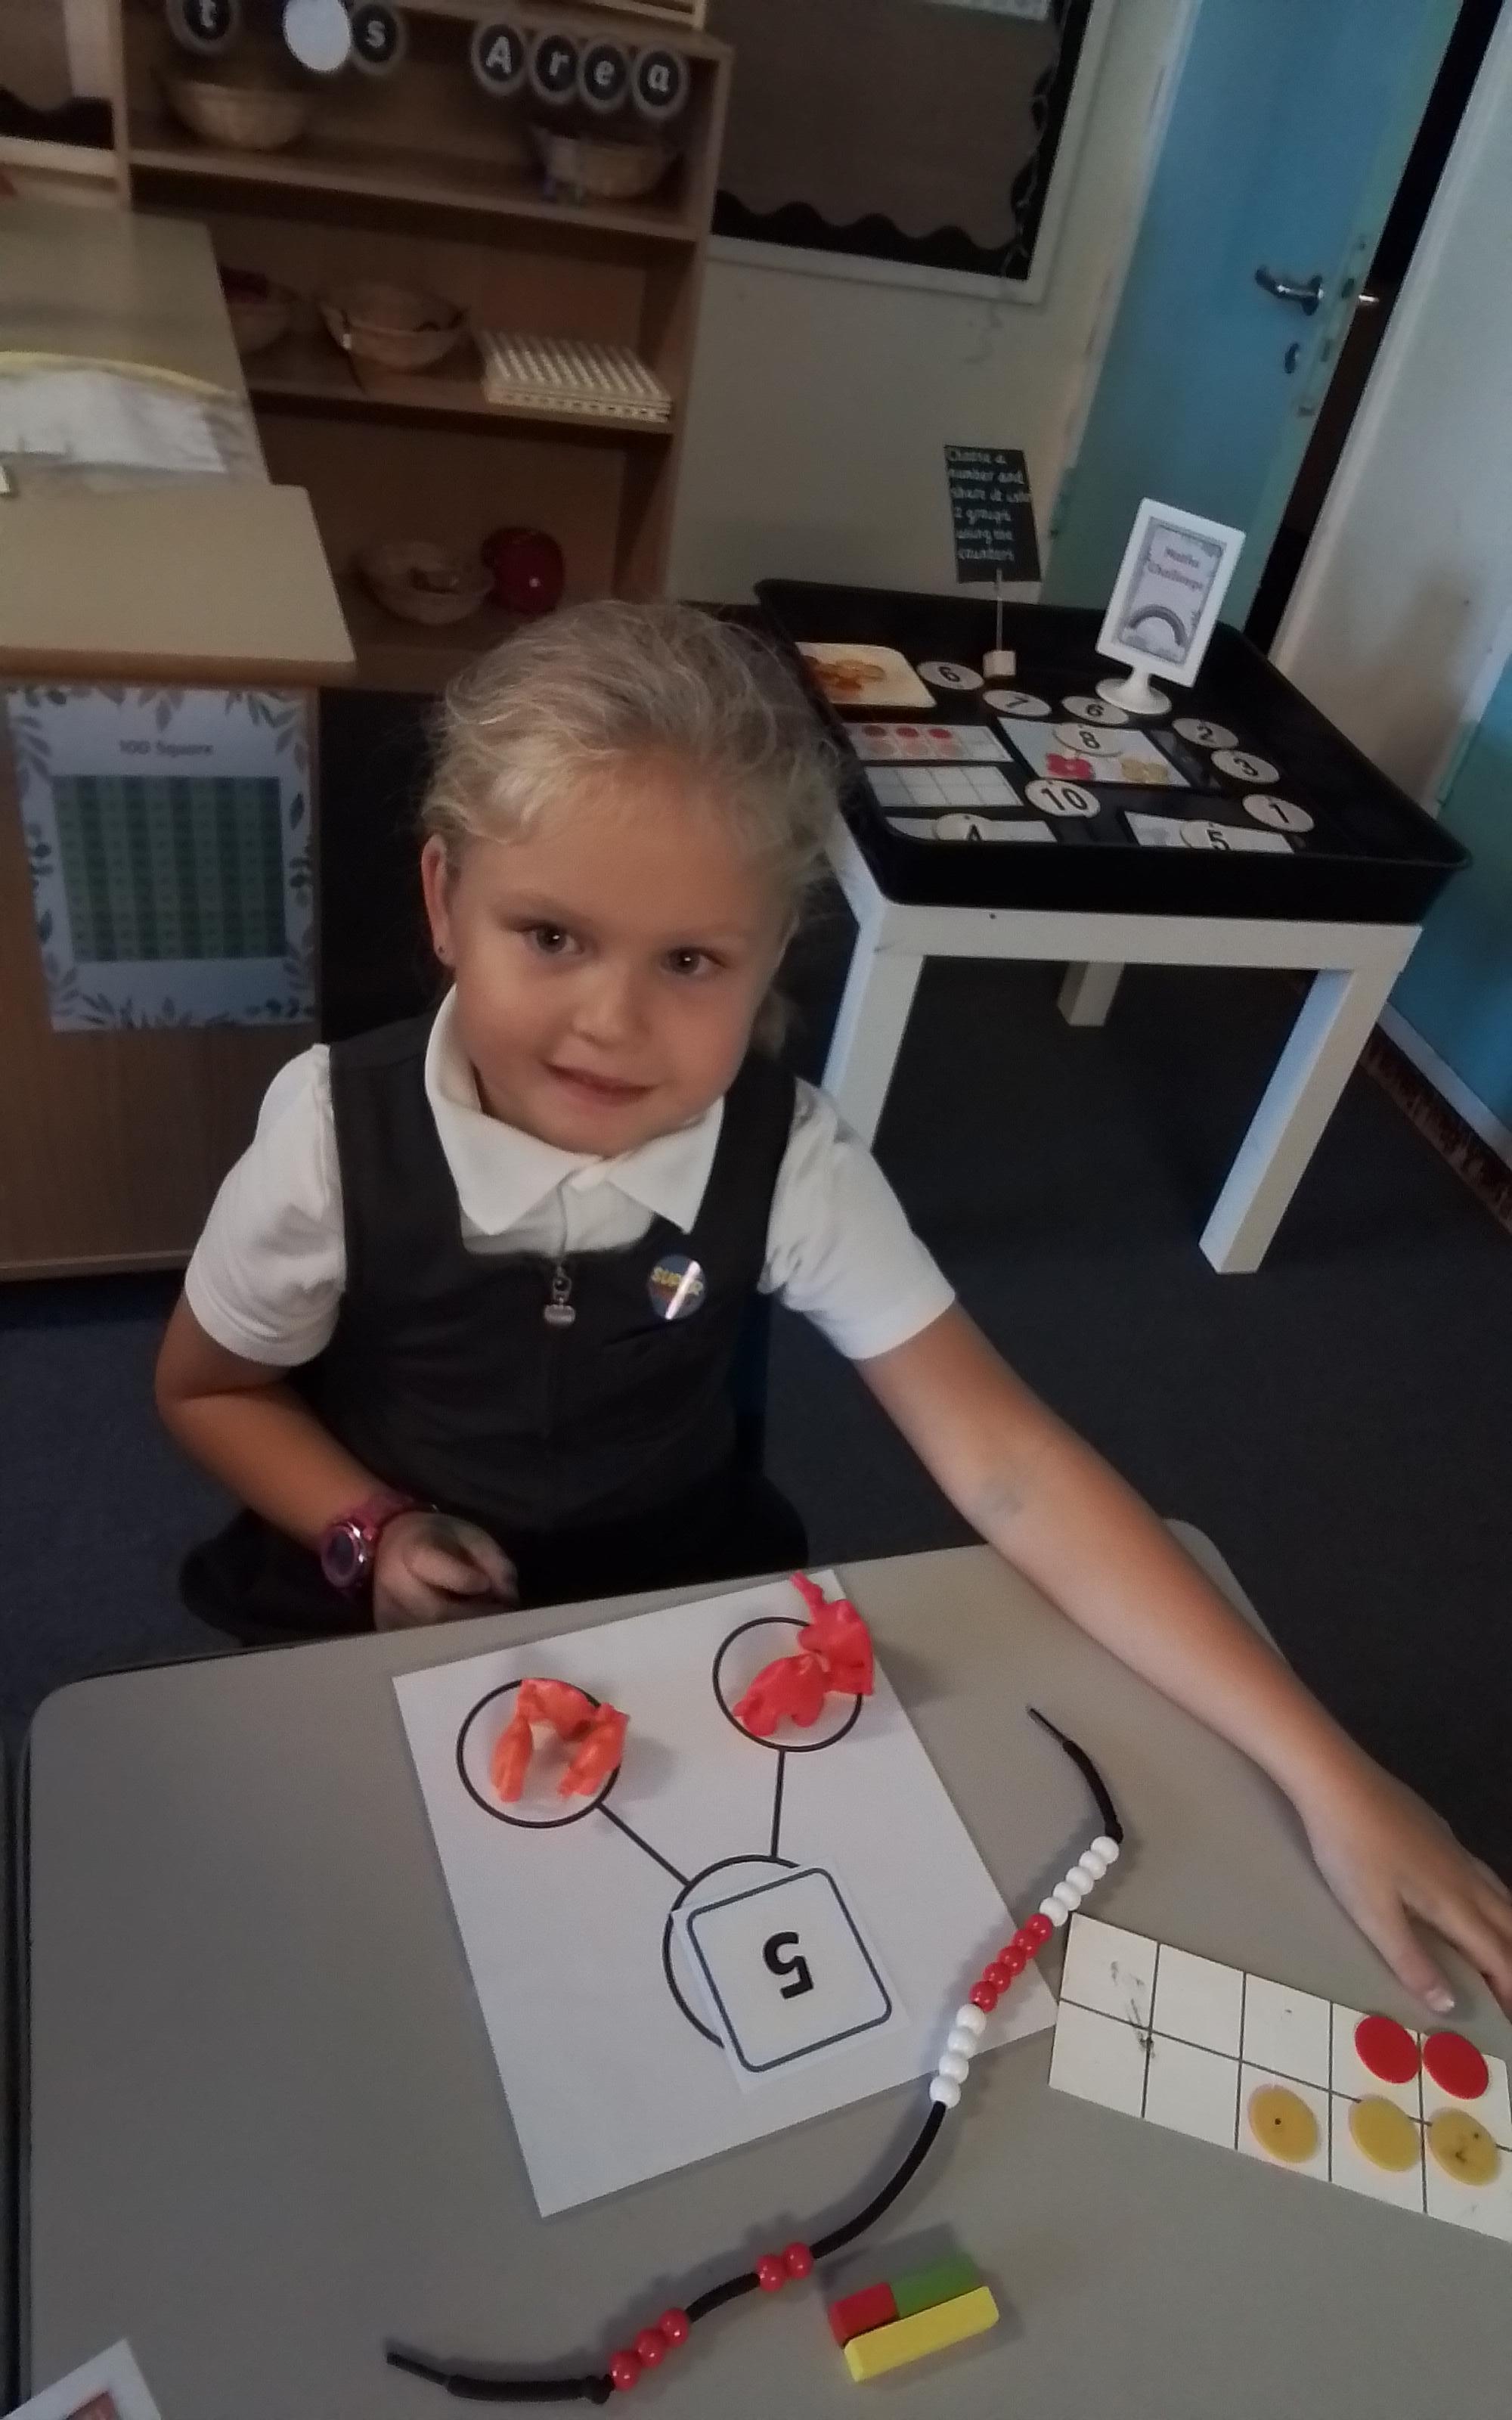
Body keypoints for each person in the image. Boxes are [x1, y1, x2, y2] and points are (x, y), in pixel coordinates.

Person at [156, 600, 1512, 2019]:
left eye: (690, 961)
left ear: (770, 955)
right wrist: (366, 1527)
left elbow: (1011, 1464)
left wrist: (1332, 1773)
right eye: (551, 935)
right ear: (445, 901)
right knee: (380, 1985)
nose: (611, 1022)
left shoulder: (790, 1157)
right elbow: (206, 1388)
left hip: (669, 1605)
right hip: (378, 1608)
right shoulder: (329, 1141)